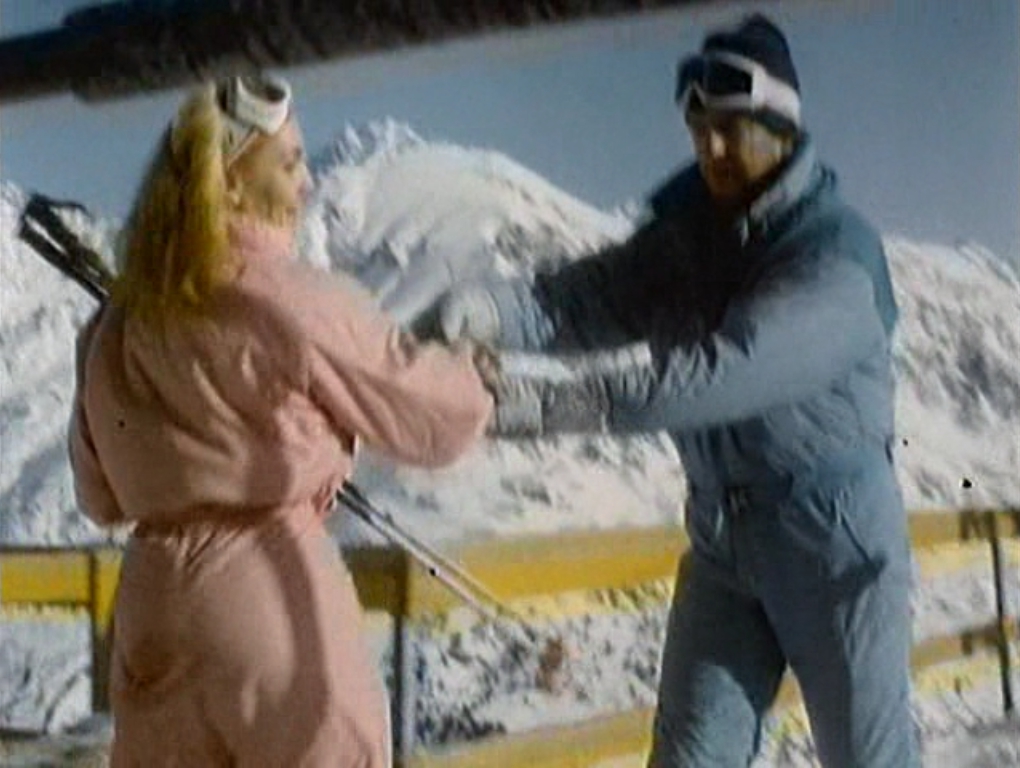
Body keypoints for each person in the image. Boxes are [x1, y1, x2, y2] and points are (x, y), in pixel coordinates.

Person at [431, 14, 918, 768]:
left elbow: (724, 371)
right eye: (699, 131)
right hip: (725, 543)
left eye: (733, 129)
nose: (711, 150)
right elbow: (578, 303)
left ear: (781, 126)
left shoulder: (835, 255)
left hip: (834, 549)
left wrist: (546, 406)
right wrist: (487, 313)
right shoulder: (686, 241)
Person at [68, 73, 494, 767]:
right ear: (231, 183)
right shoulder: (290, 301)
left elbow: (99, 495)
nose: (306, 183)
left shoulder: (115, 322)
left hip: (150, 609)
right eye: (291, 162)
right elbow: (436, 415)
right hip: (269, 597)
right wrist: (477, 371)